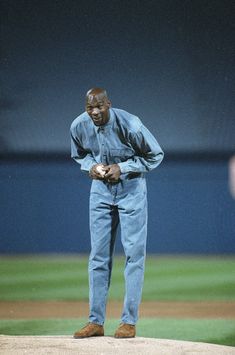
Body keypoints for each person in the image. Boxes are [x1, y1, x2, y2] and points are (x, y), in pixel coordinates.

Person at [70, 88, 164, 338]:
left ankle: (128, 322)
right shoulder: (79, 125)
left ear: (109, 104)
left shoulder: (130, 124)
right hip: (100, 191)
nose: (95, 111)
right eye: (90, 107)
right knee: (98, 257)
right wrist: (91, 166)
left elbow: (156, 155)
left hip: (131, 190)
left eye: (99, 106)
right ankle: (95, 322)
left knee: (134, 255)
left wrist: (122, 167)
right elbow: (79, 155)